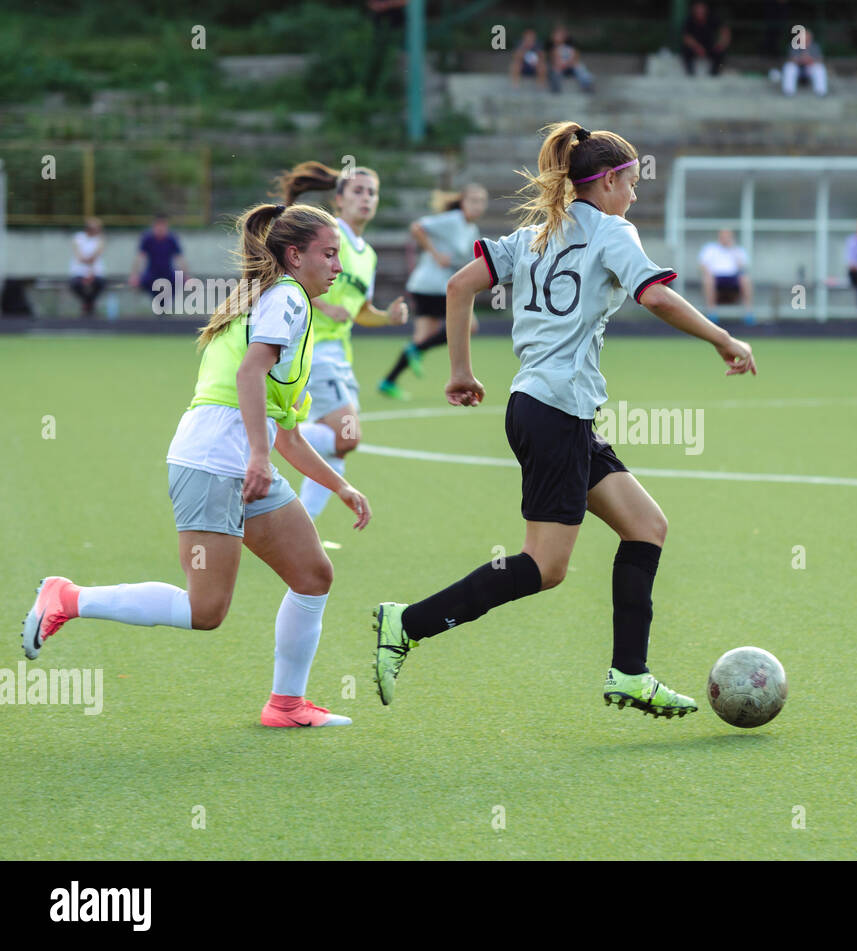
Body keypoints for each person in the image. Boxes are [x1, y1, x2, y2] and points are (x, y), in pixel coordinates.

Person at [370, 122, 757, 717]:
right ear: (604, 185)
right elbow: (654, 295)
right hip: (555, 412)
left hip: (545, 408)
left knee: (646, 526)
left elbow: (457, 285)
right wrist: (722, 337)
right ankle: (409, 622)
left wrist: (460, 372)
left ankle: (631, 672)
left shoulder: (537, 233)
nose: (635, 195)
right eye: (630, 183)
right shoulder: (611, 230)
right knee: (544, 567)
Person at [22, 202, 372, 727]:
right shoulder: (288, 300)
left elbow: (288, 435)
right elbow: (249, 376)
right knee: (205, 610)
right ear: (295, 256)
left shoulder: (280, 300)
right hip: (214, 461)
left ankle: (286, 704)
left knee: (313, 574)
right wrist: (257, 454)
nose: (337, 266)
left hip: (238, 462)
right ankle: (68, 597)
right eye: (328, 253)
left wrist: (340, 487)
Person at [273, 161, 409, 523]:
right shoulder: (331, 235)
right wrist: (322, 305)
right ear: (339, 200)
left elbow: (361, 310)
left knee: (337, 452)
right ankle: (272, 432)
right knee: (347, 436)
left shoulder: (369, 255)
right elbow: (290, 273)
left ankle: (300, 525)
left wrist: (387, 317)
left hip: (339, 354)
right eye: (358, 191)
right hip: (313, 348)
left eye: (372, 192)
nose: (366, 198)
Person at [380, 184, 488, 399]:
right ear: (462, 202)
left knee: (421, 340)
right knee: (471, 325)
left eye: (481, 201)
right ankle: (412, 354)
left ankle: (388, 382)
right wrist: (436, 254)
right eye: (473, 200)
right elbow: (417, 227)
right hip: (433, 285)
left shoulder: (471, 229)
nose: (478, 206)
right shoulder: (453, 219)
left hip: (427, 286)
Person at [128, 214, 187, 306]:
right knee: (146, 284)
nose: (160, 228)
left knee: (179, 282)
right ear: (154, 226)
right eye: (158, 226)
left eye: (163, 226)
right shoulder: (148, 238)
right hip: (152, 274)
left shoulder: (171, 239)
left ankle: (165, 303)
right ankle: (158, 303)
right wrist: (134, 275)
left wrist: (186, 275)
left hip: (168, 273)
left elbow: (179, 258)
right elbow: (139, 258)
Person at [698, 229, 755, 323]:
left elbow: (742, 267)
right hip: (716, 277)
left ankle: (748, 313)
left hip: (733, 278)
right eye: (723, 236)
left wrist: (732, 250)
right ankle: (711, 313)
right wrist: (708, 274)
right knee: (708, 280)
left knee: (745, 279)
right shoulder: (710, 248)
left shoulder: (737, 250)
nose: (725, 238)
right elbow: (702, 265)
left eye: (727, 236)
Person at [68, 217, 105, 317]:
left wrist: (90, 273)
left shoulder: (100, 239)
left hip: (95, 272)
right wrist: (86, 268)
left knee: (100, 283)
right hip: (79, 272)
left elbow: (95, 256)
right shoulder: (79, 238)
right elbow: (80, 257)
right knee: (75, 284)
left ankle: (88, 305)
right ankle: (89, 304)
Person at [682, 2, 731, 77]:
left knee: (720, 52)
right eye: (698, 9)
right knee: (686, 50)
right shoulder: (689, 20)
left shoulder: (712, 18)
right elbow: (686, 37)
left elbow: (725, 31)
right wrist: (696, 47)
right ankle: (690, 74)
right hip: (695, 47)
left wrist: (721, 43)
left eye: (702, 9)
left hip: (709, 46)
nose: (700, 11)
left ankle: (714, 73)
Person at [547, 26, 594, 93]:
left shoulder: (571, 47)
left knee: (580, 67)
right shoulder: (553, 48)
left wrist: (568, 64)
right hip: (560, 68)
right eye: (557, 35)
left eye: (560, 35)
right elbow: (555, 60)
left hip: (570, 67)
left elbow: (574, 59)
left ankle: (587, 85)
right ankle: (556, 89)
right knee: (555, 70)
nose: (558, 37)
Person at [782, 27, 828, 95]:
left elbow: (820, 59)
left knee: (819, 68)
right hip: (797, 68)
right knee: (789, 67)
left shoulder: (815, 47)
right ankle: (788, 91)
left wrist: (810, 60)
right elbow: (790, 59)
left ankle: (820, 91)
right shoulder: (794, 46)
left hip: (810, 68)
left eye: (807, 38)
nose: (805, 40)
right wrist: (801, 60)